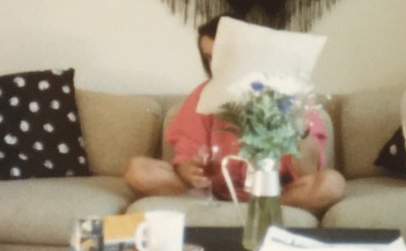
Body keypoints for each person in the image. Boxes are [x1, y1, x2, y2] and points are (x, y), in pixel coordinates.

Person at [123, 14, 346, 216]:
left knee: (332, 184)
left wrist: (299, 126)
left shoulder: (287, 94)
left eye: (221, 56)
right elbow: (186, 157)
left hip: (276, 191)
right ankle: (223, 205)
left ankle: (261, 206)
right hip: (213, 190)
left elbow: (307, 172)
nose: (215, 65)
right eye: (209, 58)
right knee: (137, 171)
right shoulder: (203, 96)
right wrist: (188, 170)